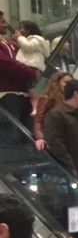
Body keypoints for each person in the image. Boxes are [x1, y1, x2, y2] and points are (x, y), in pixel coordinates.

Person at [0, 11, 39, 148]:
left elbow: (25, 59)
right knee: (14, 135)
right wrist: (32, 72)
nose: (6, 24)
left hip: (24, 93)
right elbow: (7, 64)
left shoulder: (11, 42)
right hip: (7, 94)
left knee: (29, 134)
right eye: (2, 21)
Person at [14, 20, 48, 117]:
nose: (20, 30)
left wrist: (19, 37)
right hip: (36, 69)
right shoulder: (35, 41)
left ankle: (36, 108)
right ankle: (38, 108)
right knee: (35, 89)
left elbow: (27, 47)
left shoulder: (37, 39)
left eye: (22, 28)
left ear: (29, 30)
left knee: (33, 89)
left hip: (33, 68)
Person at [33, 70, 71, 152]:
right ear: (57, 83)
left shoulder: (68, 103)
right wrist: (40, 138)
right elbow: (38, 121)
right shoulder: (47, 98)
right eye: (66, 82)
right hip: (47, 141)